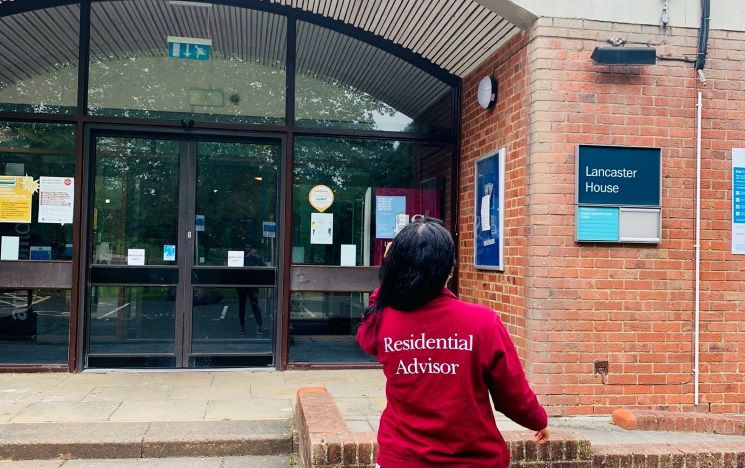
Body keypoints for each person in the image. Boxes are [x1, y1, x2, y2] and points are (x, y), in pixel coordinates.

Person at [357, 217, 548, 467]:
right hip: (472, 459)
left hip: (401, 458)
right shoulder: (482, 322)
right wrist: (538, 420)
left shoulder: (383, 318)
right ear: (450, 269)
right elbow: (512, 393)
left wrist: (389, 279)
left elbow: (367, 336)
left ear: (395, 267)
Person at [237, 245, 264, 337]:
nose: (248, 250)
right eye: (247, 248)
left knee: (255, 305)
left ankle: (259, 326)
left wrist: (258, 258)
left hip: (253, 285)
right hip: (242, 285)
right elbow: (236, 267)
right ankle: (242, 326)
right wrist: (246, 257)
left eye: (250, 248)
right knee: (242, 306)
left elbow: (264, 267)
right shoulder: (242, 258)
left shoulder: (255, 258)